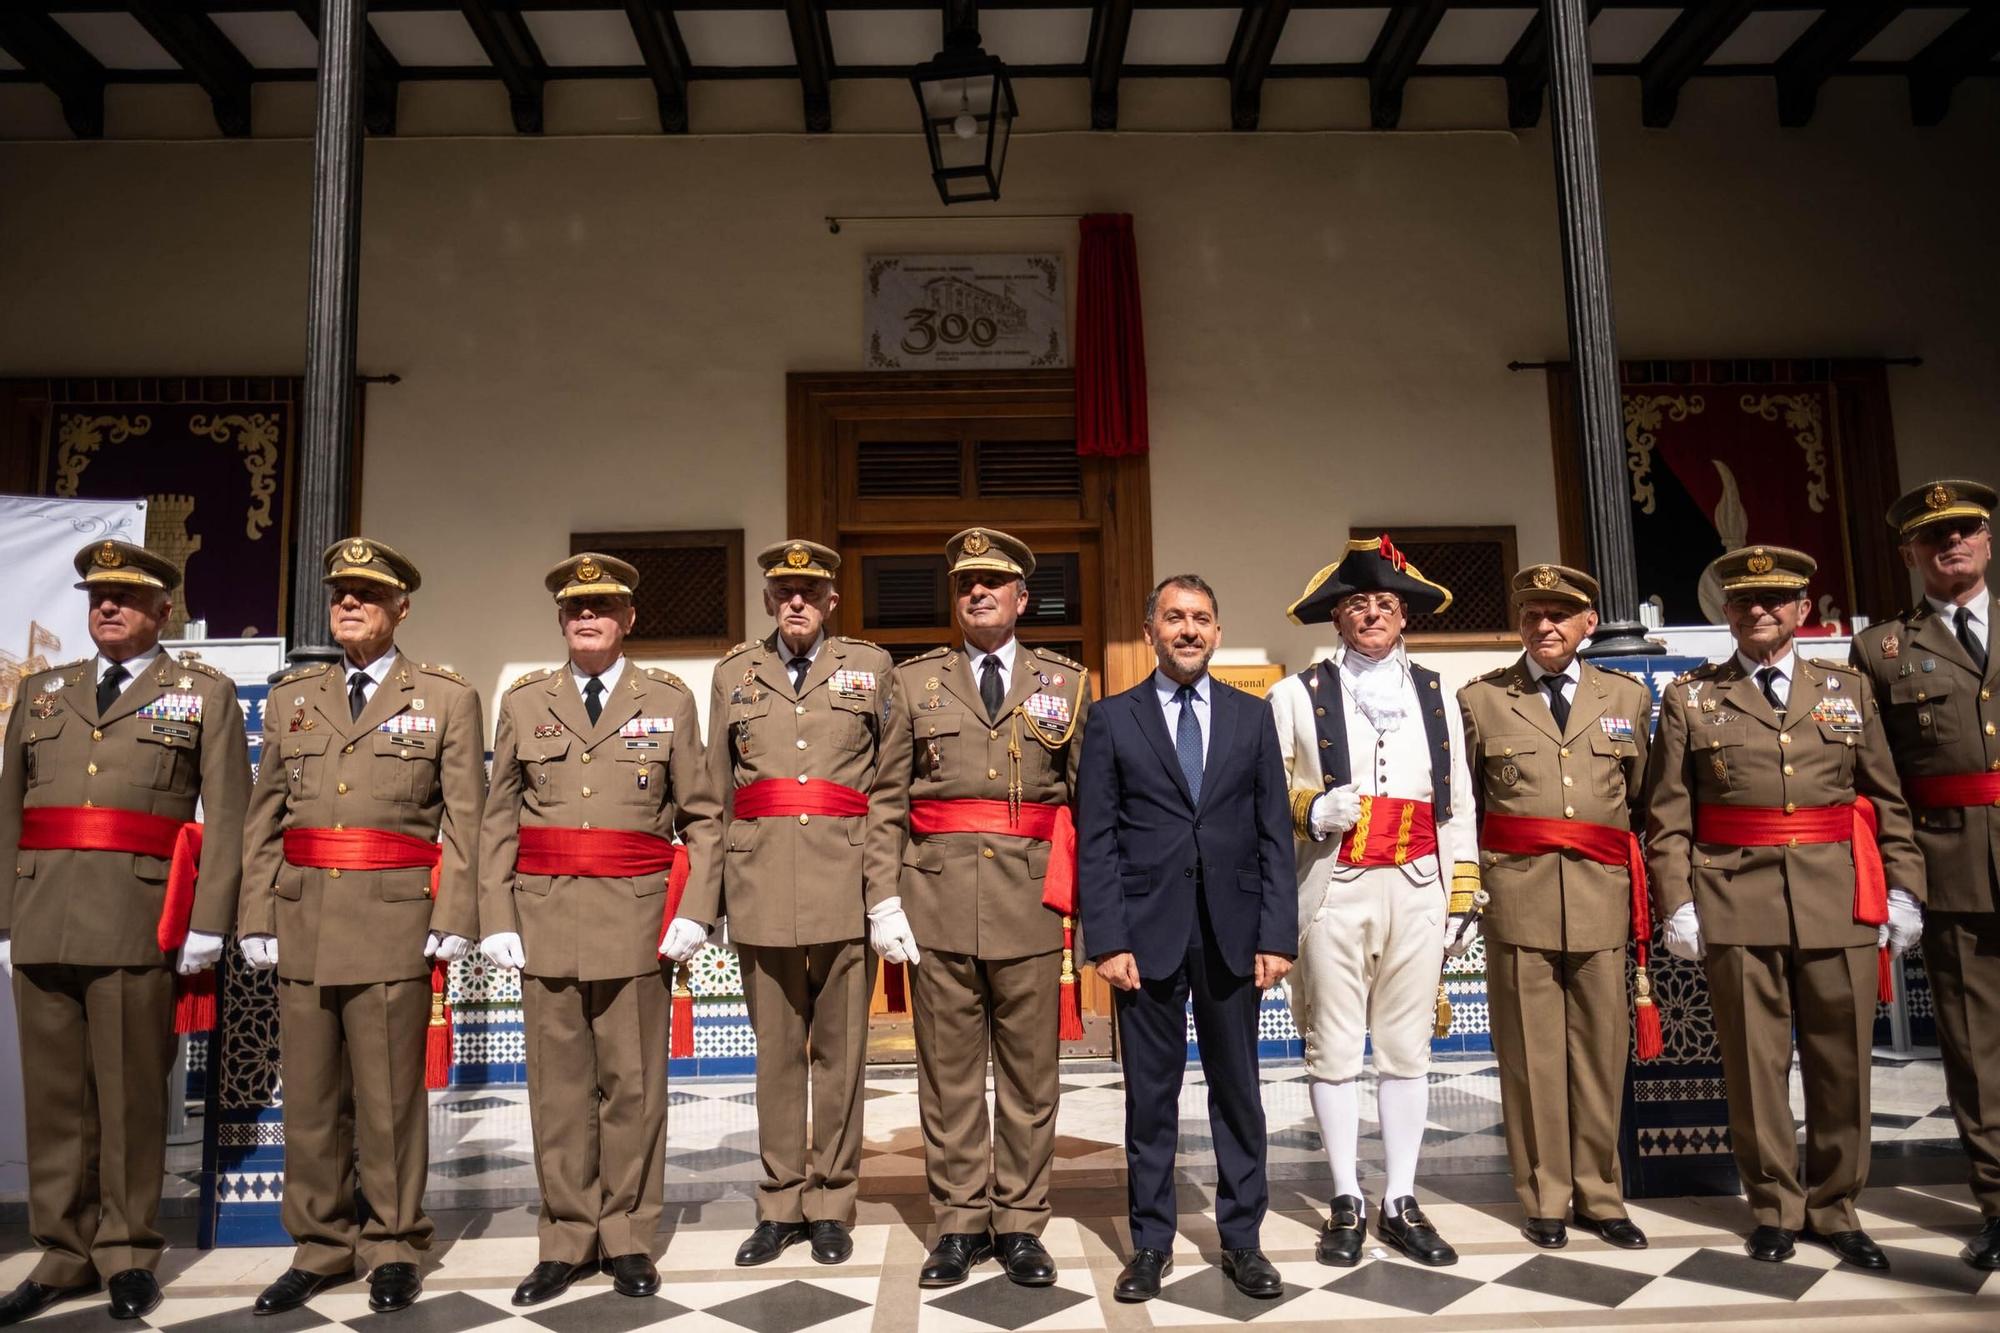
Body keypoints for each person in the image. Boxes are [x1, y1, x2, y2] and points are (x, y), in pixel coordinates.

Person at [1645, 544, 1923, 1268]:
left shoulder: (1847, 690)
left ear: (1802, 610)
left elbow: (1888, 799)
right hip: (1735, 897)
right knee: (1753, 1062)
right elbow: (1667, 816)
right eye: (1744, 601)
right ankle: (1773, 1204)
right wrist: (1677, 900)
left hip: (1839, 897)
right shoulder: (1691, 698)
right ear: (1727, 614)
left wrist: (1903, 886)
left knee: (1843, 1063)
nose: (1760, 611)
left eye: (1776, 600)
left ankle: (1837, 1205)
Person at [0, 540, 248, 1325]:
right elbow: (8, 809)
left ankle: (128, 1249)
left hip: (140, 920)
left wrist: (209, 921)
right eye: (97, 593)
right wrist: (4, 916)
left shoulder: (202, 694)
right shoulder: (42, 693)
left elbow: (230, 817)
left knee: (132, 1093)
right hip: (42, 919)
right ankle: (62, 1250)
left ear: (162, 611)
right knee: (55, 1100)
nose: (107, 606)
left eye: (126, 596)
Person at [237, 538, 483, 1314]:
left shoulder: (445, 697)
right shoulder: (292, 698)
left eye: (367, 594)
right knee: (309, 1100)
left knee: (386, 1100)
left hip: (391, 920)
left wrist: (452, 916)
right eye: (340, 591)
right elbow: (263, 820)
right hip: (304, 916)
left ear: (401, 608)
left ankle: (394, 1241)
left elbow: (467, 823)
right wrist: (255, 913)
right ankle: (319, 1244)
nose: (349, 602)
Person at [479, 553, 721, 1305]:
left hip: (638, 918)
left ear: (629, 618)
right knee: (557, 1093)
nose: (589, 616)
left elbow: (705, 819)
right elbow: (496, 822)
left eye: (604, 605)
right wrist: (495, 916)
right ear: (561, 619)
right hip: (545, 918)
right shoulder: (523, 702)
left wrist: (695, 910)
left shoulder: (671, 700)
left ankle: (626, 1236)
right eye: (576, 607)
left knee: (634, 1088)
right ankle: (565, 1238)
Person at [878, 527, 1092, 1288]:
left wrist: (1091, 912)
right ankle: (960, 1221)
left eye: (993, 582)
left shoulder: (1067, 683)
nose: (978, 591)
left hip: (1032, 905)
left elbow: (1087, 805)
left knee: (1032, 1077)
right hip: (935, 901)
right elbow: (887, 802)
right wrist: (884, 898)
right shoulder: (913, 683)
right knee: (949, 1076)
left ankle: (1022, 1222)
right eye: (966, 581)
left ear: (1021, 597)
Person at [1076, 574, 1297, 1302]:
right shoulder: (1112, 718)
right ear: (1150, 632)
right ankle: (1150, 1242)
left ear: (1218, 631)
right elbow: (1097, 837)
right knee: (1151, 1096)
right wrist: (1106, 939)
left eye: (1201, 618)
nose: (1189, 629)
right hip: (1147, 934)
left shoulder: (1250, 715)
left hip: (1235, 934)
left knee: (1239, 1093)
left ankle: (1242, 1239)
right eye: (1174, 617)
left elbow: (1273, 833)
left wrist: (1278, 935)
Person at [679, 540, 896, 1268]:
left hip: (845, 881)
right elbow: (711, 795)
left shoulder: (870, 668)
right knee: (776, 1056)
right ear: (769, 599)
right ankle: (779, 1201)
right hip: (760, 882)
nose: (796, 600)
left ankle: (832, 1200)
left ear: (832, 599)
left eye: (810, 589)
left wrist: (884, 891)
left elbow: (886, 788)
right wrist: (701, 903)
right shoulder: (734, 672)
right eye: (783, 590)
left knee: (840, 1056)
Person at [1267, 535, 1476, 1269]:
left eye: (1385, 602)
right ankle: (1346, 1194)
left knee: (1406, 1048)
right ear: (1336, 616)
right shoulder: (1294, 694)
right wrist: (1311, 808)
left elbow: (1457, 805)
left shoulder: (1437, 691)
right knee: (1332, 1049)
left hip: (1418, 883)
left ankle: (1401, 1196)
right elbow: (1269, 793)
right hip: (1335, 884)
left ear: (1404, 616)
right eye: (1358, 602)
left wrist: (1460, 894)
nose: (1373, 612)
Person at [1458, 564, 1652, 1251]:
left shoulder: (1627, 698)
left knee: (1601, 1054)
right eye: (1533, 612)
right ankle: (1545, 1193)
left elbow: (1643, 799)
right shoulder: (1482, 701)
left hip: (1602, 900)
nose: (1546, 625)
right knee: (1532, 1057)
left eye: (1560, 614)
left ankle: (1601, 1194)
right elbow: (1467, 807)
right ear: (1519, 622)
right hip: (1520, 900)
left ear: (1587, 623)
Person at [1849, 479, 2000, 1270]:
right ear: (1910, 552)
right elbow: (1880, 783)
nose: (1952, 544)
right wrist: (1901, 882)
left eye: (1966, 529)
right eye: (1934, 536)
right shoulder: (1881, 650)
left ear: (1987, 537)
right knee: (1977, 1050)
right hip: (1952, 867)